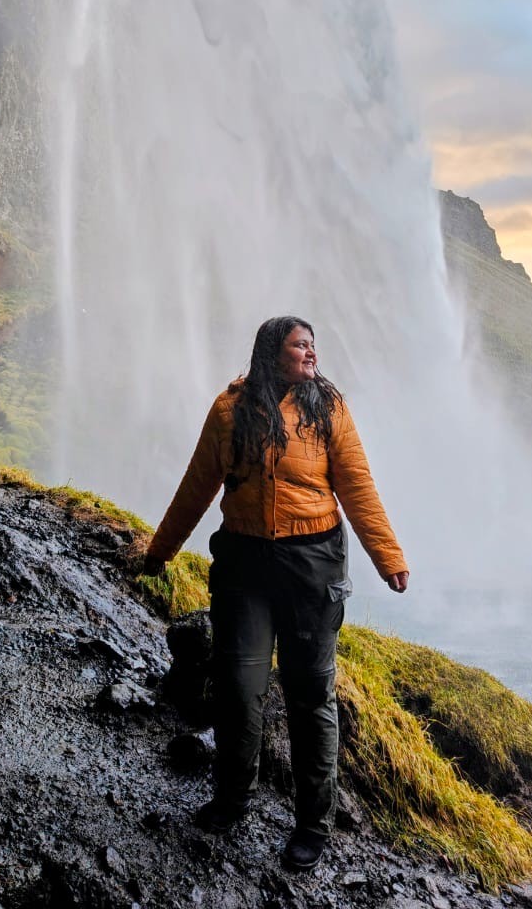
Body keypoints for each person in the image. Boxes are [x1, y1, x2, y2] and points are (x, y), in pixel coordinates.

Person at [143, 316, 409, 872]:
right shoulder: (229, 409)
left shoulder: (327, 407)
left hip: (313, 566)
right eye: (299, 345)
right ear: (272, 350)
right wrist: (160, 550)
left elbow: (358, 486)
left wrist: (389, 558)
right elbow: (197, 484)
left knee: (311, 694)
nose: (311, 353)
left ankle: (313, 824)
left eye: (313, 345)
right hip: (244, 565)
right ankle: (232, 798)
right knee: (239, 687)